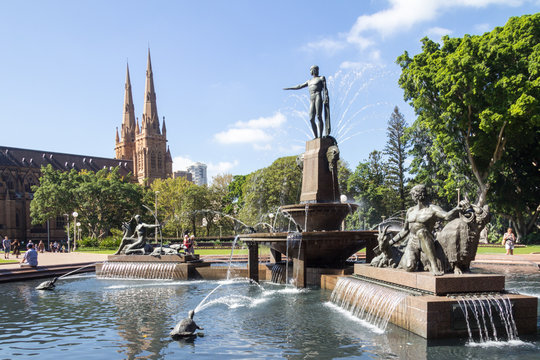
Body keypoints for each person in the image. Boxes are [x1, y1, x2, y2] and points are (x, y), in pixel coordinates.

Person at [388, 184, 465, 276]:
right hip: (412, 242)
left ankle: (434, 266)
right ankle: (412, 259)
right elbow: (404, 231)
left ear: (417, 195)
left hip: (426, 239)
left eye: (412, 194)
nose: (412, 197)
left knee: (422, 232)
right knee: (409, 267)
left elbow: (446, 216)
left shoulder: (432, 208)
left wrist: (456, 209)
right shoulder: (410, 211)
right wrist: (389, 243)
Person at [284, 65, 330, 138]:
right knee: (311, 118)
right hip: (311, 98)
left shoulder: (321, 78)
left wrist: (326, 97)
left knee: (318, 116)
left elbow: (325, 89)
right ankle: (316, 137)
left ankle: (320, 137)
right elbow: (299, 86)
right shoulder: (309, 81)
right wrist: (290, 88)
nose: (313, 71)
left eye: (314, 69)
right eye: (311, 70)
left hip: (318, 95)